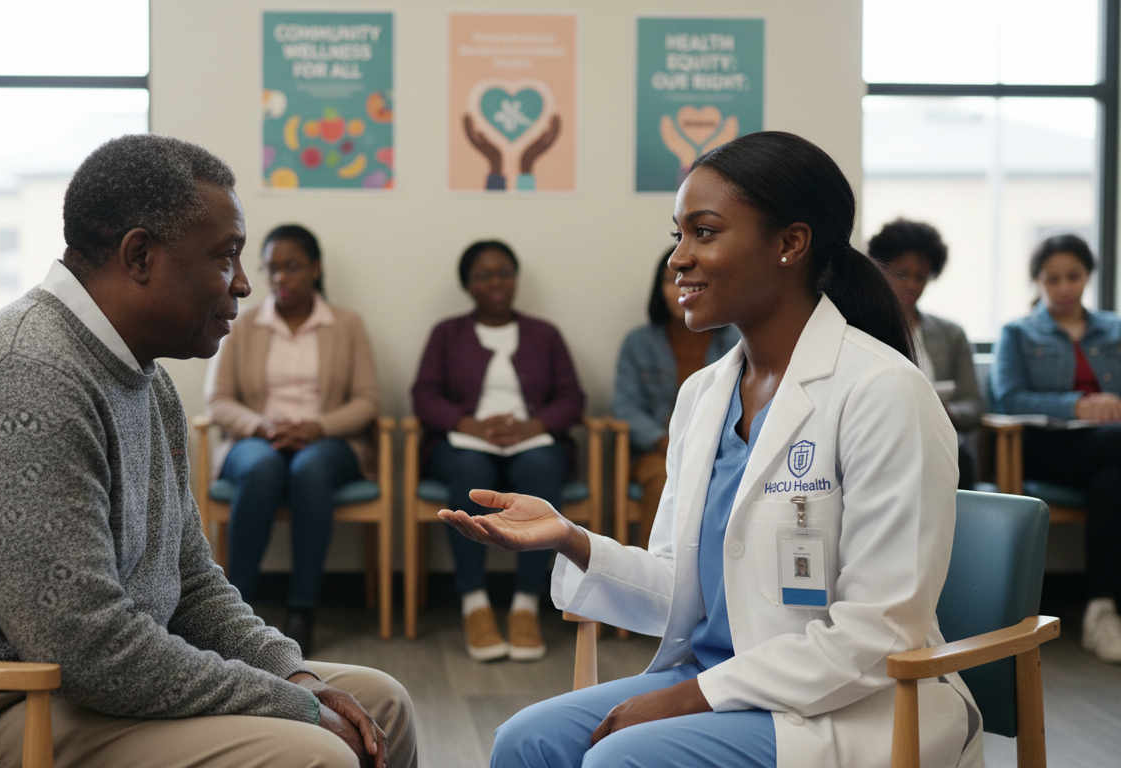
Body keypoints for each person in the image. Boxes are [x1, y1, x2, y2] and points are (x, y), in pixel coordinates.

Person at [0, 134, 416, 768]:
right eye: (227, 257)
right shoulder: (27, 377)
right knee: (313, 754)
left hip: (60, 688)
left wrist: (293, 676)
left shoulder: (146, 377)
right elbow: (89, 649)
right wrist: (293, 707)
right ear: (140, 255)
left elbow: (190, 583)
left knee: (382, 703)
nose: (245, 284)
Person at [442, 132, 981, 768]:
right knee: (524, 742)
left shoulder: (884, 391)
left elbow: (878, 632)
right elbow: (681, 588)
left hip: (850, 704)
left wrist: (694, 696)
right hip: (722, 678)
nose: (678, 258)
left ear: (789, 243)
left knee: (619, 760)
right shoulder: (705, 394)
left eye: (704, 232)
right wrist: (569, 539)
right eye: (678, 235)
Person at [206, 223, 379, 655]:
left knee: (310, 468)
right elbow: (219, 399)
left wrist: (317, 427)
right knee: (263, 467)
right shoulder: (243, 325)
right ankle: (235, 607)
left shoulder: (347, 324)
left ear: (315, 269)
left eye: (293, 267)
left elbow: (367, 400)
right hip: (256, 439)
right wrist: (263, 426)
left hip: (326, 441)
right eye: (272, 269)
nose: (281, 277)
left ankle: (303, 607)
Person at [411, 240, 585, 662]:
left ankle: (526, 604)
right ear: (467, 285)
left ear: (516, 277)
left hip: (532, 444)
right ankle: (475, 604)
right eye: (483, 275)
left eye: (504, 272)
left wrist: (534, 426)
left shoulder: (545, 334)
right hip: (465, 445)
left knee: (543, 466)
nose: (496, 283)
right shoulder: (446, 334)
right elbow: (424, 395)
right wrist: (467, 423)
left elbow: (572, 397)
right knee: (470, 470)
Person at [993, 233, 1121, 664]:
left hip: (1107, 453)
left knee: (1112, 484)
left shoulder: (1115, 330)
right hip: (1047, 447)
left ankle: (1102, 612)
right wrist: (1078, 404)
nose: (1064, 287)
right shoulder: (1018, 333)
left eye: (1073, 277)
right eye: (1052, 279)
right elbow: (1009, 399)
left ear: (1088, 276)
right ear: (1038, 281)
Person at [613, 249, 739, 548]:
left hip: (721, 447)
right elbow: (625, 407)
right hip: (656, 452)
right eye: (671, 280)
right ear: (659, 289)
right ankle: (659, 580)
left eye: (693, 280)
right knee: (663, 477)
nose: (682, 286)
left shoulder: (734, 338)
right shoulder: (638, 342)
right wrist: (665, 440)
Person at [868, 218, 982, 489]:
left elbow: (973, 404)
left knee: (957, 456)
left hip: (939, 436)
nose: (912, 285)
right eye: (901, 274)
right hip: (884, 435)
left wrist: (949, 412)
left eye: (921, 277)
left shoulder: (951, 333)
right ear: (881, 270)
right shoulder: (863, 328)